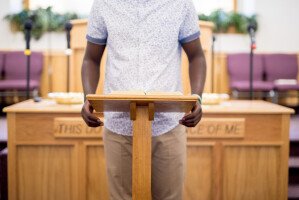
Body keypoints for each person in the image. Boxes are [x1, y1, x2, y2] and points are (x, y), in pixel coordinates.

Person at [81, 0, 206, 199]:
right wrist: (88, 97)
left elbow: (197, 56)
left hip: (168, 124)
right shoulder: (104, 4)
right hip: (119, 125)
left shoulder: (181, 4)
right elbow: (91, 59)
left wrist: (197, 98)